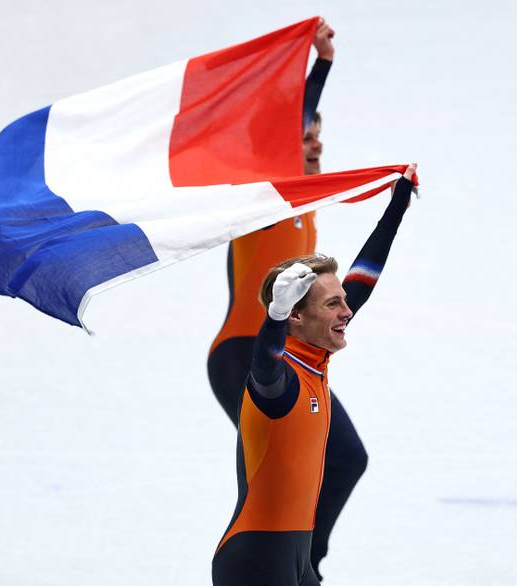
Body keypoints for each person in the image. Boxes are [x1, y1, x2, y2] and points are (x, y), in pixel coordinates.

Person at [206, 18, 368, 579]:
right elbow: (287, 128)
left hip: (287, 352)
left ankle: (301, 568)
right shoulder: (263, 202)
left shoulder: (304, 206)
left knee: (337, 459)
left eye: (319, 135)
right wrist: (318, 67)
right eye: (305, 137)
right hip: (246, 352)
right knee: (292, 468)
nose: (316, 142)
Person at [212, 164, 418, 586]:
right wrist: (273, 318)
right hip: (256, 564)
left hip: (295, 562)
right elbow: (263, 363)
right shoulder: (281, 382)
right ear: (296, 317)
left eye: (344, 302)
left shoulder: (314, 360)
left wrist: (396, 206)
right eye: (333, 305)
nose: (347, 312)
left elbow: (364, 277)